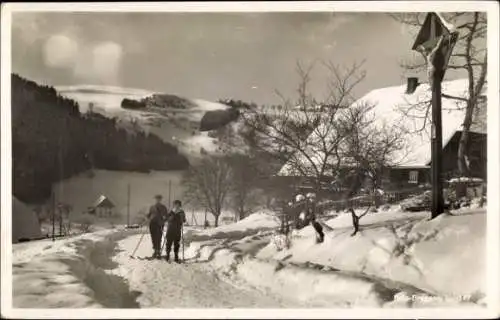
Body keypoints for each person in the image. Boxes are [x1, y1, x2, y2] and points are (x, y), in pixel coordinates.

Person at [147, 194, 168, 259]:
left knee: (158, 238)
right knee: (153, 238)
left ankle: (158, 251)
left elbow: (166, 216)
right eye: (156, 199)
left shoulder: (163, 207)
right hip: (152, 224)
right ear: (155, 200)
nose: (157, 200)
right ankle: (155, 251)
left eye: (159, 199)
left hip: (159, 224)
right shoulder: (152, 207)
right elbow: (148, 215)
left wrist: (163, 219)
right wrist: (148, 216)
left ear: (160, 200)